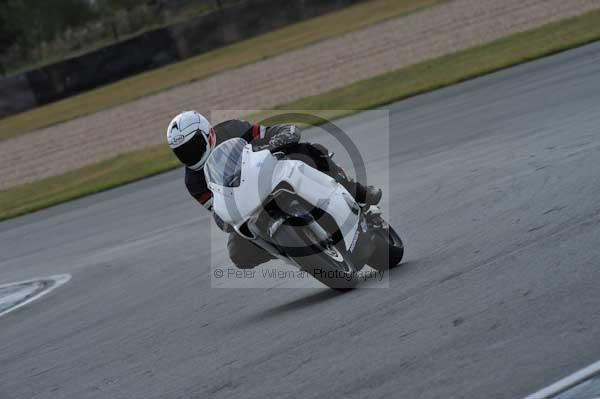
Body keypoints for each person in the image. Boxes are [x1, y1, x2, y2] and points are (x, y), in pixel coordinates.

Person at [166, 110, 382, 269]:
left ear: (207, 134)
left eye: (193, 146)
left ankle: (356, 191)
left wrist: (282, 135)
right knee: (238, 254)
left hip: (270, 172)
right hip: (248, 206)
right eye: (182, 151)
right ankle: (290, 249)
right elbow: (217, 208)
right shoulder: (193, 181)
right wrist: (223, 219)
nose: (189, 154)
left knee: (308, 151)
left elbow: (268, 132)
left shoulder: (231, 129)